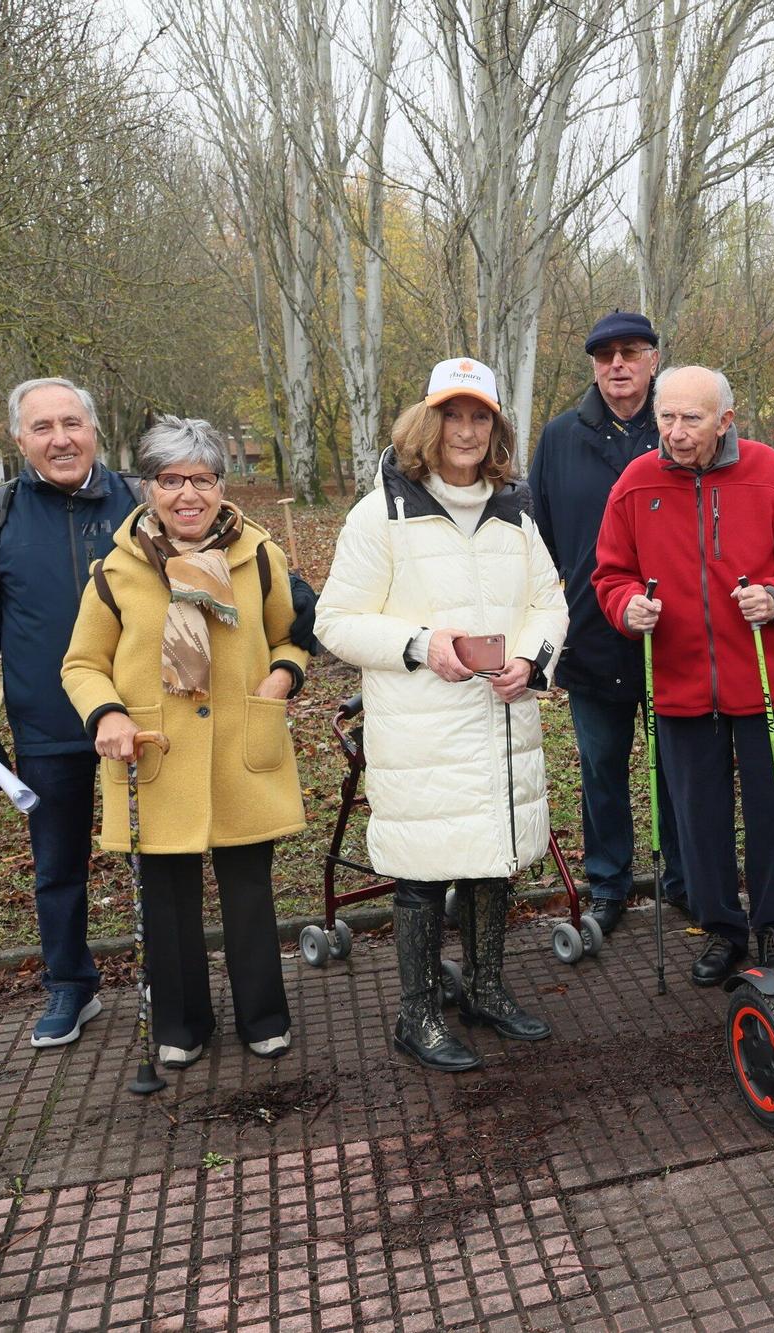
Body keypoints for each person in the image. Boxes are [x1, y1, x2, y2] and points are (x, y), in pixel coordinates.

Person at [317, 357, 570, 1071]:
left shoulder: (516, 511)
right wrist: (422, 644)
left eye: (479, 416)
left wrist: (532, 659)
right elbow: (335, 621)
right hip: (423, 726)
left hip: (500, 719)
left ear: (496, 427)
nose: (465, 430)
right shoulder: (382, 514)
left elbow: (550, 602)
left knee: (494, 860)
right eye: (452, 415)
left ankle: (485, 989)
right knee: (425, 871)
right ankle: (417, 1012)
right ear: (426, 423)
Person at [60, 416, 307, 1067]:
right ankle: (181, 1022)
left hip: (240, 754)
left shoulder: (258, 555)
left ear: (223, 486)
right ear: (149, 487)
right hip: (154, 756)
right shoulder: (115, 570)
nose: (187, 493)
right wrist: (106, 714)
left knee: (249, 896)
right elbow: (81, 663)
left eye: (201, 477)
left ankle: (264, 1016)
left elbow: (289, 634)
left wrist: (282, 677)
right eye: (171, 479)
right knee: (167, 903)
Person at [593, 365, 774, 986]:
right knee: (698, 818)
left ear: (726, 420)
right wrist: (628, 608)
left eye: (690, 419)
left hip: (760, 675)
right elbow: (610, 574)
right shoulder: (636, 482)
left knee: (773, 811)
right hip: (678, 683)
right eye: (665, 417)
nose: (674, 432)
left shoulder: (768, 471)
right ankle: (721, 929)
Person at [0, 377, 141, 1049]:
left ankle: (167, 977)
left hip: (135, 722)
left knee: (156, 857)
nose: (60, 438)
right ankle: (70, 983)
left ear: (93, 428)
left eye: (71, 422)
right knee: (57, 864)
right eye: (42, 427)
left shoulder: (141, 505)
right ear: (19, 438)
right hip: (46, 727)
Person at [528, 310, 688, 941]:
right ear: (593, 366)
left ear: (653, 358)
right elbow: (537, 538)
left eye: (630, 352)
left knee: (681, 766)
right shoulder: (562, 437)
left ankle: (684, 878)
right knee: (601, 766)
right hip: (593, 633)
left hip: (677, 636)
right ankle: (609, 885)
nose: (617, 365)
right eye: (604, 356)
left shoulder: (678, 426)